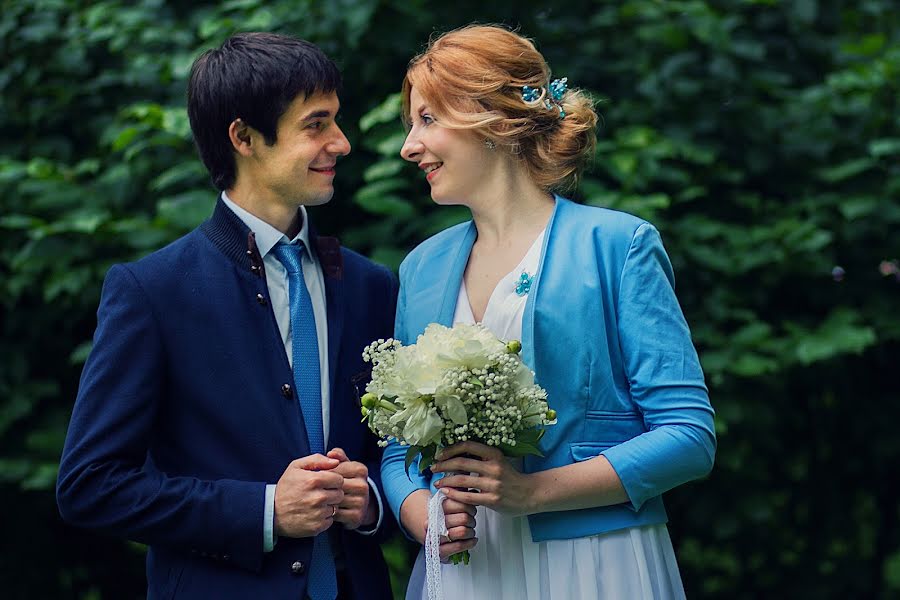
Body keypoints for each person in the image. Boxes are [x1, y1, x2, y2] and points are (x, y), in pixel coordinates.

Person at [381, 25, 716, 599]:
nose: (409, 146)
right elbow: (397, 448)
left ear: (491, 119)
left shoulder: (618, 246)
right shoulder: (421, 268)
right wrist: (423, 514)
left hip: (594, 564)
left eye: (427, 120)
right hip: (468, 573)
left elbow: (688, 436)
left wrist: (533, 492)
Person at [57, 32, 396, 600]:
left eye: (337, 121)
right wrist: (264, 510)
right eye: (315, 125)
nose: (340, 143)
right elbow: (91, 486)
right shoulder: (150, 291)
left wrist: (371, 506)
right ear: (242, 136)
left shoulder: (371, 285)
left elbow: (396, 459)